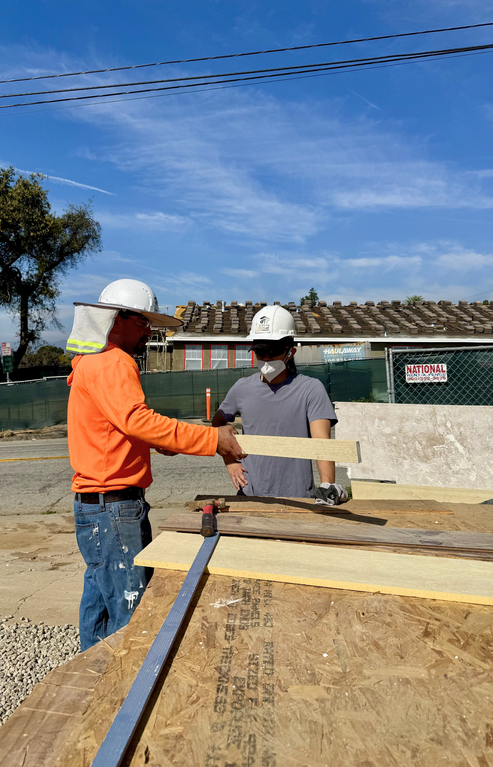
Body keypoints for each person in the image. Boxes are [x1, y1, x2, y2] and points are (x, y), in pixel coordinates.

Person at [66, 278, 245, 650]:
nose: (149, 332)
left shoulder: (90, 361)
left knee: (100, 601)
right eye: (144, 323)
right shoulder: (114, 361)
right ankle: (121, 692)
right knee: (130, 608)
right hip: (114, 507)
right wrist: (213, 440)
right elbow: (136, 420)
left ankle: (91, 676)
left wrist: (152, 440)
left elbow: (118, 425)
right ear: (120, 318)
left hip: (95, 506)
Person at [212, 305, 348, 504]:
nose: (266, 359)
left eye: (273, 352)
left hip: (299, 499)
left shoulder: (311, 389)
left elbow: (322, 444)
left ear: (290, 352)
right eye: (260, 352)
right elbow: (217, 427)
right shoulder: (242, 388)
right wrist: (230, 461)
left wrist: (327, 486)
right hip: (251, 496)